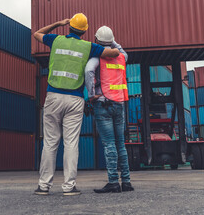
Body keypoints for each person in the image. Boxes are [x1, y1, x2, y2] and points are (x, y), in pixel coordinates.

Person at [33, 14, 120, 196]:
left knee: (50, 142)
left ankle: (43, 186)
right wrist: (111, 41)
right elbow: (114, 53)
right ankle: (69, 187)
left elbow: (37, 33)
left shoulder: (55, 40)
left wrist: (58, 23)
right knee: (71, 143)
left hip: (53, 97)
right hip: (75, 99)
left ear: (69, 26)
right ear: (85, 30)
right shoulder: (88, 46)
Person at [85, 26, 134, 193]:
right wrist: (112, 41)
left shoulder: (97, 57)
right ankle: (126, 182)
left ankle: (113, 182)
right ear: (112, 40)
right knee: (121, 144)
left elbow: (88, 71)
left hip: (103, 103)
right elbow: (120, 49)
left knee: (109, 144)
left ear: (96, 40)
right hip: (119, 104)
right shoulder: (122, 57)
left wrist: (91, 94)